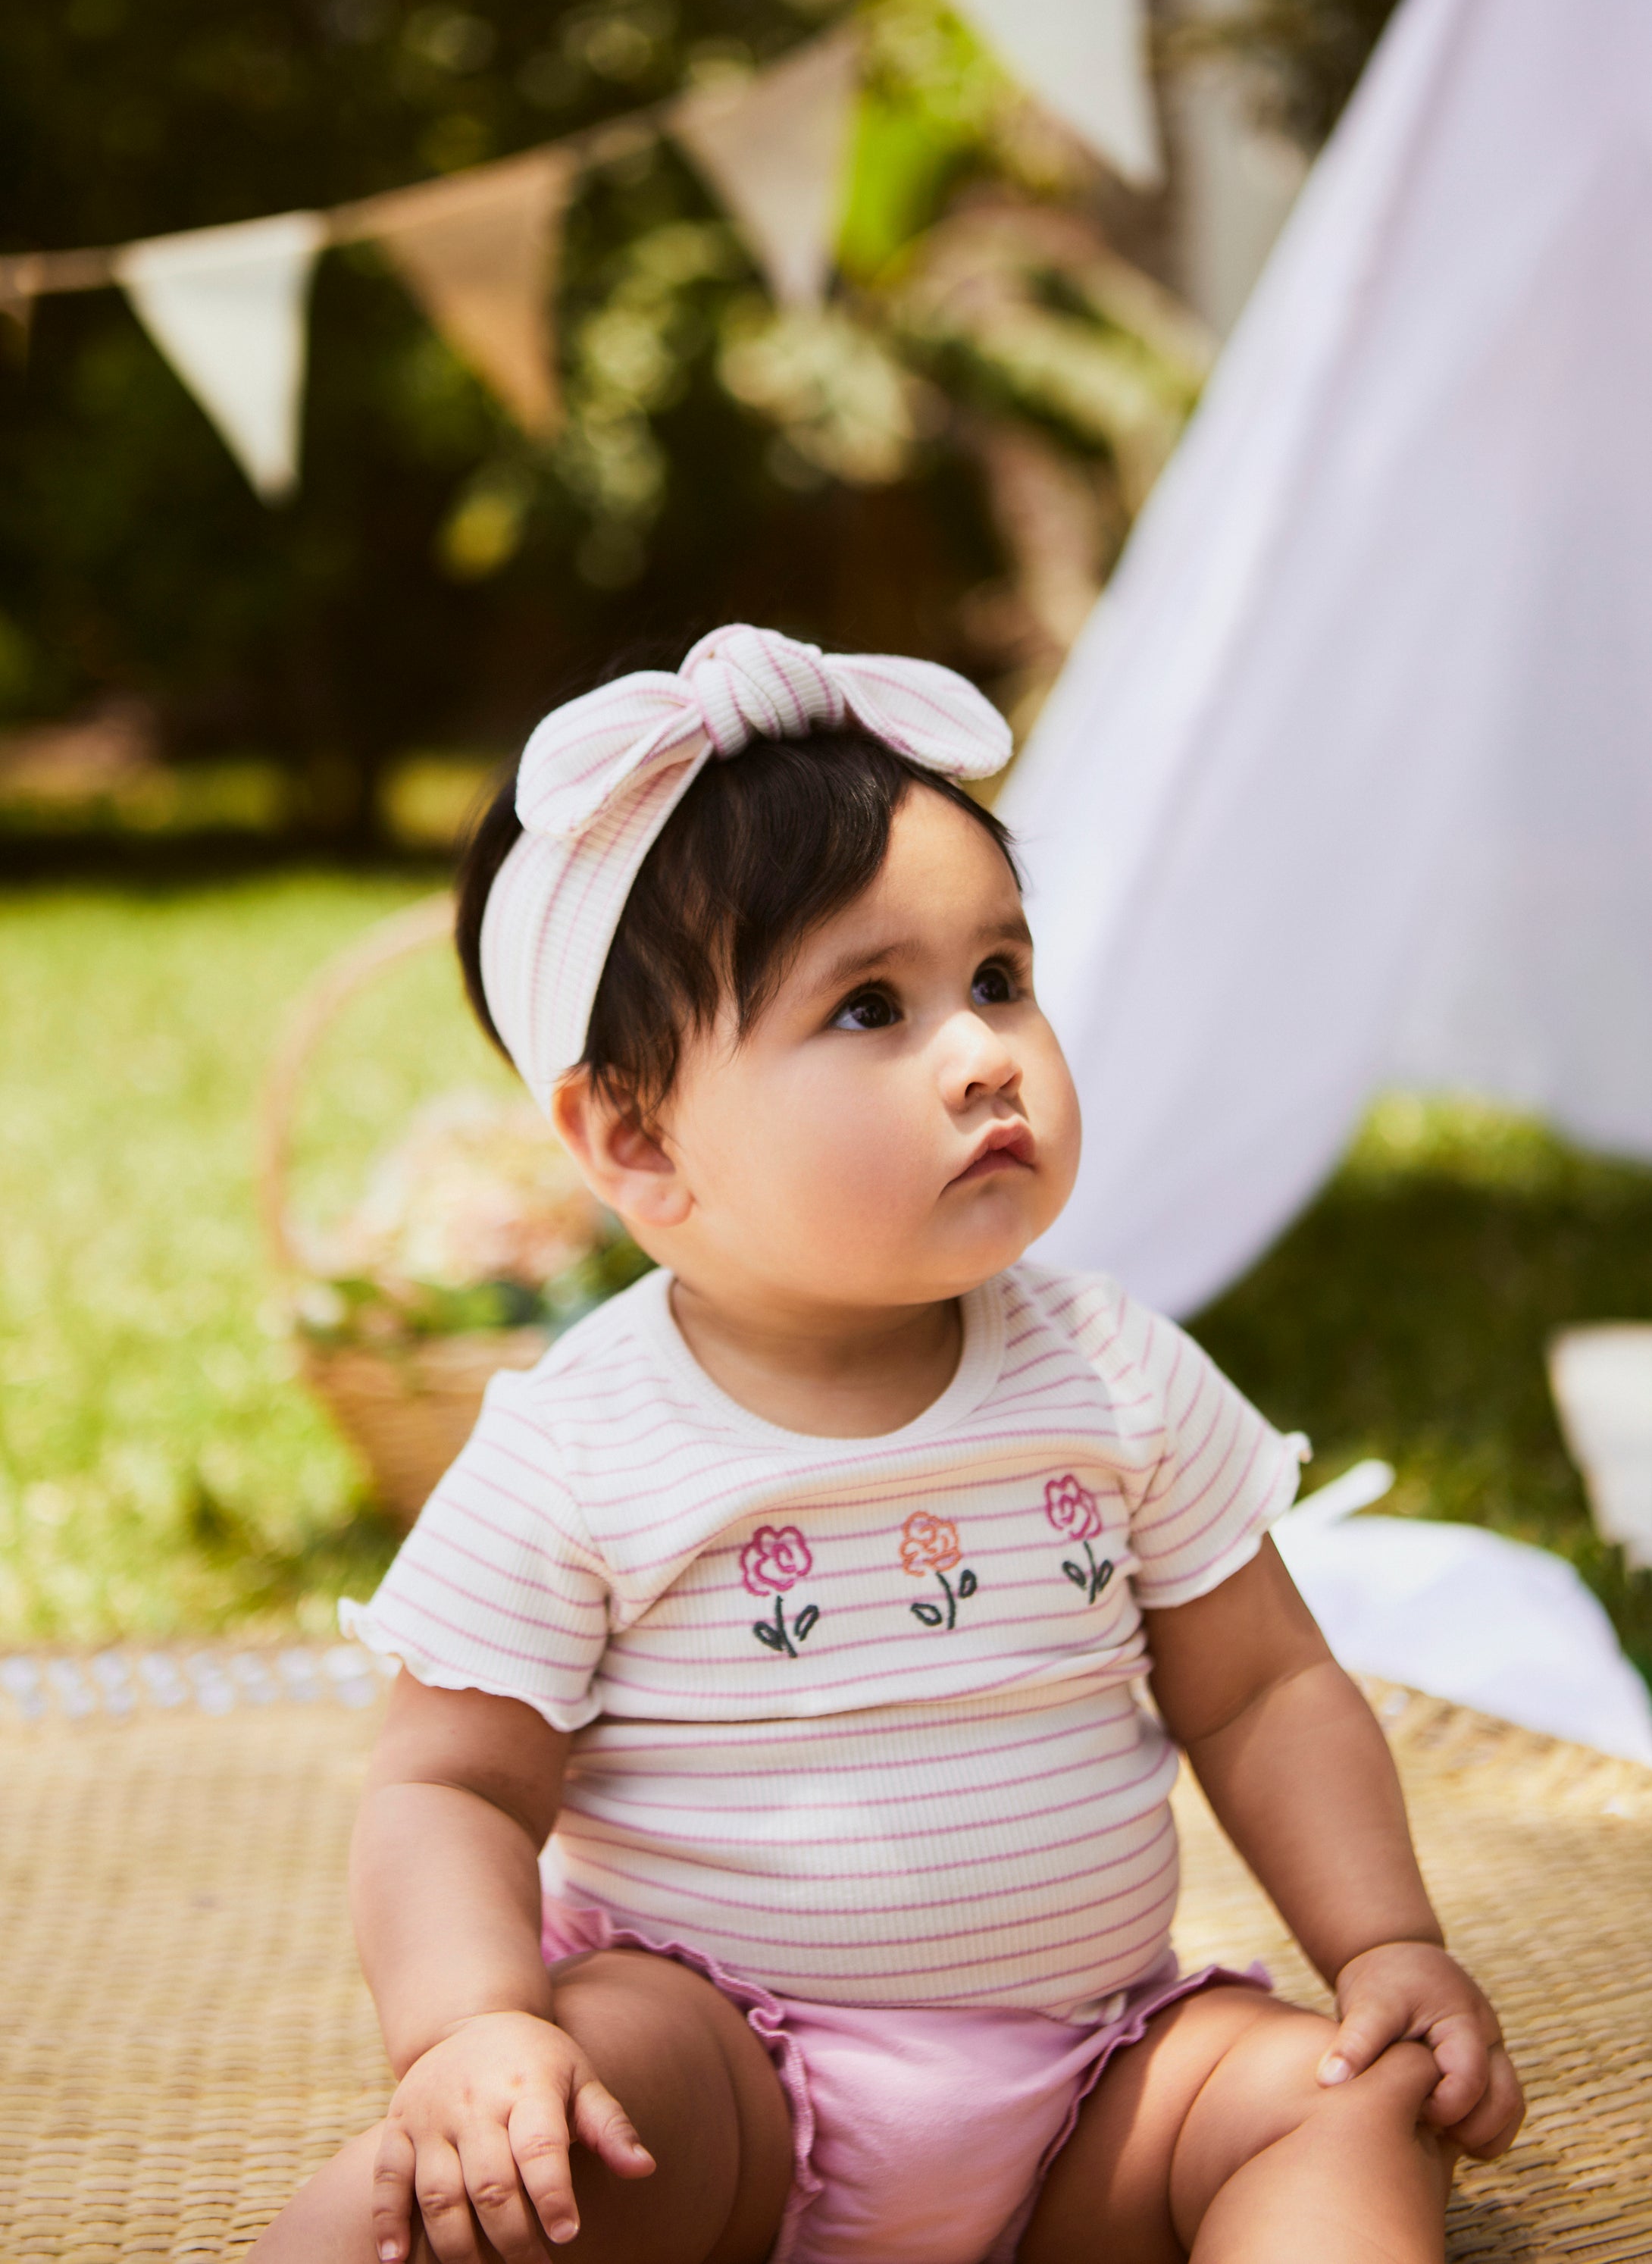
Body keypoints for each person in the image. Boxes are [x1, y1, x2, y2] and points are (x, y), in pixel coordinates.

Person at [250, 625, 1522, 2264]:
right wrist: (474, 2029)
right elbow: (451, 1787)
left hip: (1097, 2076)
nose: (984, 1050)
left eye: (998, 978)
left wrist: (1382, 1941)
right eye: (871, 1005)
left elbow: (1264, 1683)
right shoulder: (580, 1444)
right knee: (471, 2182)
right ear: (636, 1137)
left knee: (1337, 2104)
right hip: (724, 2082)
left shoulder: (1112, 1371)